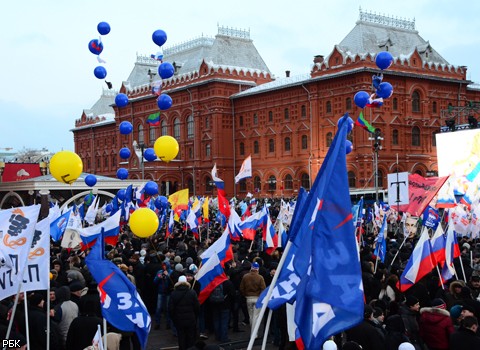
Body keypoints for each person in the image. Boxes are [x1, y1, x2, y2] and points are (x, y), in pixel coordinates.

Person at [169, 275, 200, 350]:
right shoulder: (192, 292)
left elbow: (170, 309)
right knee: (191, 338)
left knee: (181, 338)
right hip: (190, 319)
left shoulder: (173, 293)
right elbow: (197, 306)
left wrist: (174, 318)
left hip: (179, 320)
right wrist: (195, 316)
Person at [239, 261, 266, 337]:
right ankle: (254, 334)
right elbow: (263, 289)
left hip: (248, 298)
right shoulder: (260, 277)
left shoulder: (245, 276)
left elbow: (241, 288)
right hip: (257, 298)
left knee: (251, 317)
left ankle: (253, 333)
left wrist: (245, 295)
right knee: (256, 317)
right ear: (257, 269)